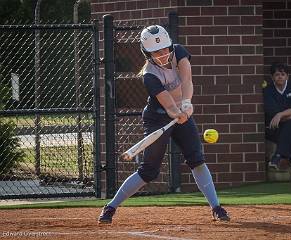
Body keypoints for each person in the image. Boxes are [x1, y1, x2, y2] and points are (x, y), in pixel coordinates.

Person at [98, 25, 230, 224]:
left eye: (165, 49)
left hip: (182, 112)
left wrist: (186, 104)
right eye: (157, 52)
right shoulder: (149, 75)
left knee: (196, 159)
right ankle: (110, 207)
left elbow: (186, 80)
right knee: (149, 170)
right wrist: (178, 112)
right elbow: (168, 104)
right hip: (157, 117)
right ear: (147, 53)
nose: (163, 54)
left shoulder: (179, 52)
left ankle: (216, 207)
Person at [263, 62, 291, 183]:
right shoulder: (268, 91)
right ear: (272, 77)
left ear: (287, 76)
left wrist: (281, 114)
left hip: (288, 128)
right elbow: (273, 115)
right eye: (277, 74)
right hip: (274, 128)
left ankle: (277, 156)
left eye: (283, 74)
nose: (280, 77)